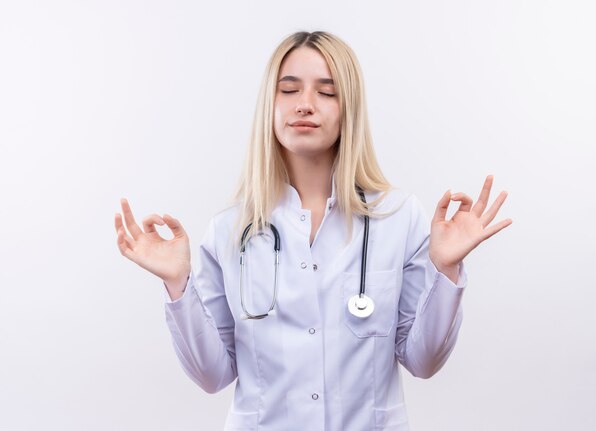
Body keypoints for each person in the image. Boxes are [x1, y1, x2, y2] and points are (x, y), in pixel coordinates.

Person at [114, 31, 511, 431]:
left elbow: (423, 362)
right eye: (289, 90)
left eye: (327, 92)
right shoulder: (229, 231)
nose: (305, 105)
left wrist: (446, 271)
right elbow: (211, 375)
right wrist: (178, 285)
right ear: (270, 104)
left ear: (349, 108)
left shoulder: (398, 218)